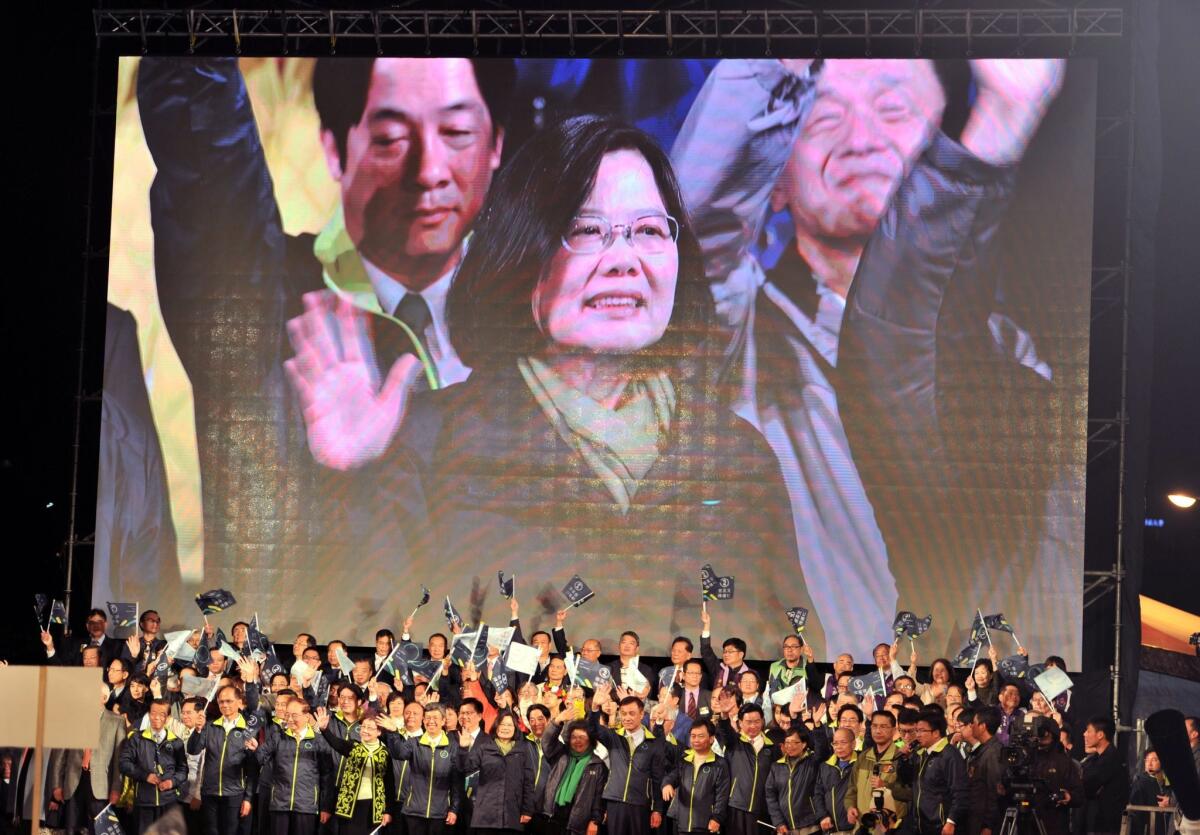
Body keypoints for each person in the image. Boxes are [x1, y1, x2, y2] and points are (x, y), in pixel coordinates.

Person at [320, 113, 796, 645]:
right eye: (587, 230)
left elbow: (794, 660)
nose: (624, 259)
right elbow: (367, 647)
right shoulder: (429, 446)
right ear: (522, 256)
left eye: (648, 230)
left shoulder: (738, 459)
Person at [672, 57, 1066, 654]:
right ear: (777, 178)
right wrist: (770, 66)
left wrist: (999, 117)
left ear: (941, 134)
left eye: (892, 110)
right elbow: (694, 245)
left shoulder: (1007, 350)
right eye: (823, 117)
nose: (859, 139)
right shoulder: (734, 334)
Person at [136, 55, 513, 630]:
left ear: (496, 146)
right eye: (389, 138)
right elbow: (207, 167)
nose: (428, 170)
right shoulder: (276, 304)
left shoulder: (538, 316)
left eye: (458, 132)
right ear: (335, 149)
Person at [248, 699, 333, 835]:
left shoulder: (319, 741)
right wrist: (254, 749)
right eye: (287, 715)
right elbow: (259, 759)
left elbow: (327, 776)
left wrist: (326, 807)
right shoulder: (278, 737)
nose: (290, 719)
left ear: (307, 716)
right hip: (279, 804)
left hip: (306, 806)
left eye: (295, 715)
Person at [590, 689, 667, 835]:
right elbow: (592, 729)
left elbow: (658, 779)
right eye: (623, 713)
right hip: (614, 802)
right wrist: (594, 707)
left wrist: (657, 809)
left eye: (632, 713)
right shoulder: (614, 737)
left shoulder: (653, 744)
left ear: (641, 714)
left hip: (640, 804)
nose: (627, 718)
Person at [379, 703, 464, 835]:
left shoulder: (452, 747)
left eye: (435, 718)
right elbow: (398, 753)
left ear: (443, 721)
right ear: (423, 721)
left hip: (440, 813)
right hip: (414, 811)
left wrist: (454, 809)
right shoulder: (415, 743)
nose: (431, 721)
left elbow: (456, 782)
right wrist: (393, 732)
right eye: (428, 718)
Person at [187, 684, 259, 835]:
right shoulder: (210, 726)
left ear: (239, 702)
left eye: (229, 701)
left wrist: (248, 798)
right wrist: (198, 730)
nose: (224, 705)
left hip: (234, 794)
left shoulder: (248, 729)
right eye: (221, 702)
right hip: (210, 793)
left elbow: (252, 769)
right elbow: (193, 750)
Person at [315, 708, 396, 835]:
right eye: (363, 727)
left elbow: (389, 784)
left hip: (373, 806)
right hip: (349, 805)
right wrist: (324, 729)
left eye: (370, 728)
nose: (365, 731)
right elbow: (336, 743)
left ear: (379, 731)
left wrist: (388, 811)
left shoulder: (385, 753)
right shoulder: (353, 747)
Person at [456, 710, 537, 835]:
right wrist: (463, 749)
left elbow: (529, 782)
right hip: (485, 815)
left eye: (509, 725)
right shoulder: (484, 748)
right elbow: (465, 768)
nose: (505, 728)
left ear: (515, 728)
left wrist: (527, 810)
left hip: (512, 815)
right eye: (502, 724)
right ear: (496, 726)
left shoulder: (523, 750)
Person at [119, 700, 189, 835]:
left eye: (162, 714)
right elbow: (124, 763)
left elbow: (183, 770)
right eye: (153, 713)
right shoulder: (136, 738)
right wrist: (145, 776)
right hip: (144, 802)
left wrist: (171, 782)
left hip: (169, 802)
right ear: (149, 714)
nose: (157, 717)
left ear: (168, 718)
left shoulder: (176, 742)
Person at [713, 697, 776, 835]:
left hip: (762, 809)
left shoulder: (772, 747)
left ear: (763, 721)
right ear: (740, 723)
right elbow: (725, 731)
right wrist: (723, 716)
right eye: (748, 722)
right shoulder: (733, 742)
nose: (753, 726)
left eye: (757, 721)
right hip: (735, 807)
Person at [901, 712, 967, 835]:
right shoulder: (920, 754)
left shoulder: (949, 755)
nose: (917, 735)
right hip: (921, 825)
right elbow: (906, 781)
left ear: (936, 733)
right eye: (916, 731)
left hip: (940, 825)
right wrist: (904, 759)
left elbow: (960, 792)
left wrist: (951, 821)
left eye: (921, 731)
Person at [538, 719, 607, 835]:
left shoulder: (598, 765)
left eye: (582, 737)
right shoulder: (561, 755)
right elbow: (547, 743)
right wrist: (557, 722)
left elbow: (599, 797)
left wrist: (595, 821)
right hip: (552, 817)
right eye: (574, 737)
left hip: (577, 823)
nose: (577, 740)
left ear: (590, 739)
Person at [661, 719, 729, 835]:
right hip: (681, 822)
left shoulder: (720, 764)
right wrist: (667, 784)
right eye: (693, 736)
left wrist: (717, 818)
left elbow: (722, 796)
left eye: (701, 736)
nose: (696, 740)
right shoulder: (684, 759)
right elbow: (673, 776)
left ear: (711, 738)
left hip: (705, 824)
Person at [845, 711, 907, 828]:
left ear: (894, 730)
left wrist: (885, 785)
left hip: (890, 828)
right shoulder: (863, 757)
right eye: (874, 726)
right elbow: (852, 789)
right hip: (863, 826)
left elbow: (908, 794)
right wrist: (850, 807)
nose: (878, 731)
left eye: (883, 727)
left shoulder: (901, 758)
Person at [1022, 717, 1081, 835]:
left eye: (1042, 731)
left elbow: (1079, 796)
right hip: (1024, 821)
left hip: (1052, 823)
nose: (1038, 735)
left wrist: (1068, 796)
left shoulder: (1064, 761)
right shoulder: (1025, 757)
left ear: (1052, 734)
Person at [764, 726, 820, 835]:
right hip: (786, 828)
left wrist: (817, 726)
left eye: (794, 742)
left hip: (810, 827)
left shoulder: (812, 762)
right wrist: (779, 822)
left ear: (804, 744)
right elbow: (770, 796)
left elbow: (822, 749)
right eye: (787, 742)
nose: (790, 746)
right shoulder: (776, 766)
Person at [1080, 716, 1128, 835]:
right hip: (1095, 822)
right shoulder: (1094, 759)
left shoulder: (1111, 759)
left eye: (1089, 731)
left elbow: (1088, 786)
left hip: (1107, 825)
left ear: (1100, 735)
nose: (1084, 734)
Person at [962, 707, 1003, 835]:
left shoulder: (993, 753)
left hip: (984, 822)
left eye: (973, 723)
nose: (971, 726)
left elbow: (994, 790)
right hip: (975, 818)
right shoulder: (984, 749)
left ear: (982, 726)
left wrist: (988, 825)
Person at [813, 728, 856, 834]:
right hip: (831, 828)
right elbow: (818, 794)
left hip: (856, 829)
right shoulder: (825, 766)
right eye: (835, 743)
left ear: (853, 744)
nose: (839, 747)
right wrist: (823, 816)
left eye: (843, 742)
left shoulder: (861, 764)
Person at [1128, 749, 1173, 835]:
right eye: (1147, 760)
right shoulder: (1140, 782)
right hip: (1149, 828)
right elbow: (1136, 813)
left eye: (1154, 760)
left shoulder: (1167, 781)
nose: (1149, 764)